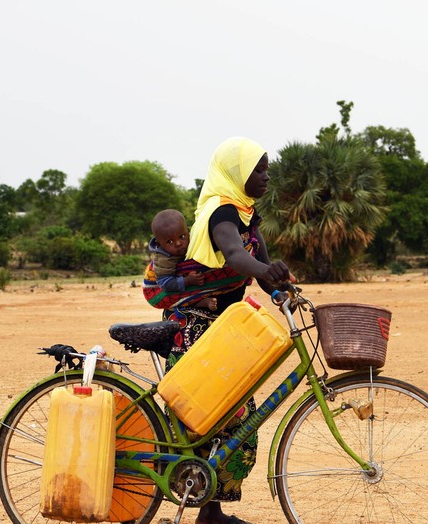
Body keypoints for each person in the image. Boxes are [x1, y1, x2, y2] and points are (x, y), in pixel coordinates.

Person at [169, 136, 290, 524]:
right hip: (198, 330)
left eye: (266, 168)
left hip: (225, 329)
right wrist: (264, 272)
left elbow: (263, 267)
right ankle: (207, 510)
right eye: (259, 169)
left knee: (229, 422)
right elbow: (237, 258)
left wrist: (284, 291)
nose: (266, 176)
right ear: (237, 173)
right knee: (226, 419)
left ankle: (210, 513)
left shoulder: (247, 215)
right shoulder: (221, 213)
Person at [147, 209, 217, 311]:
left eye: (182, 236)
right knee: (172, 296)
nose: (178, 243)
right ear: (159, 244)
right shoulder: (163, 259)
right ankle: (200, 303)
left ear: (188, 231)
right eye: (170, 241)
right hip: (160, 288)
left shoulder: (194, 240)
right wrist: (187, 281)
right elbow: (165, 284)